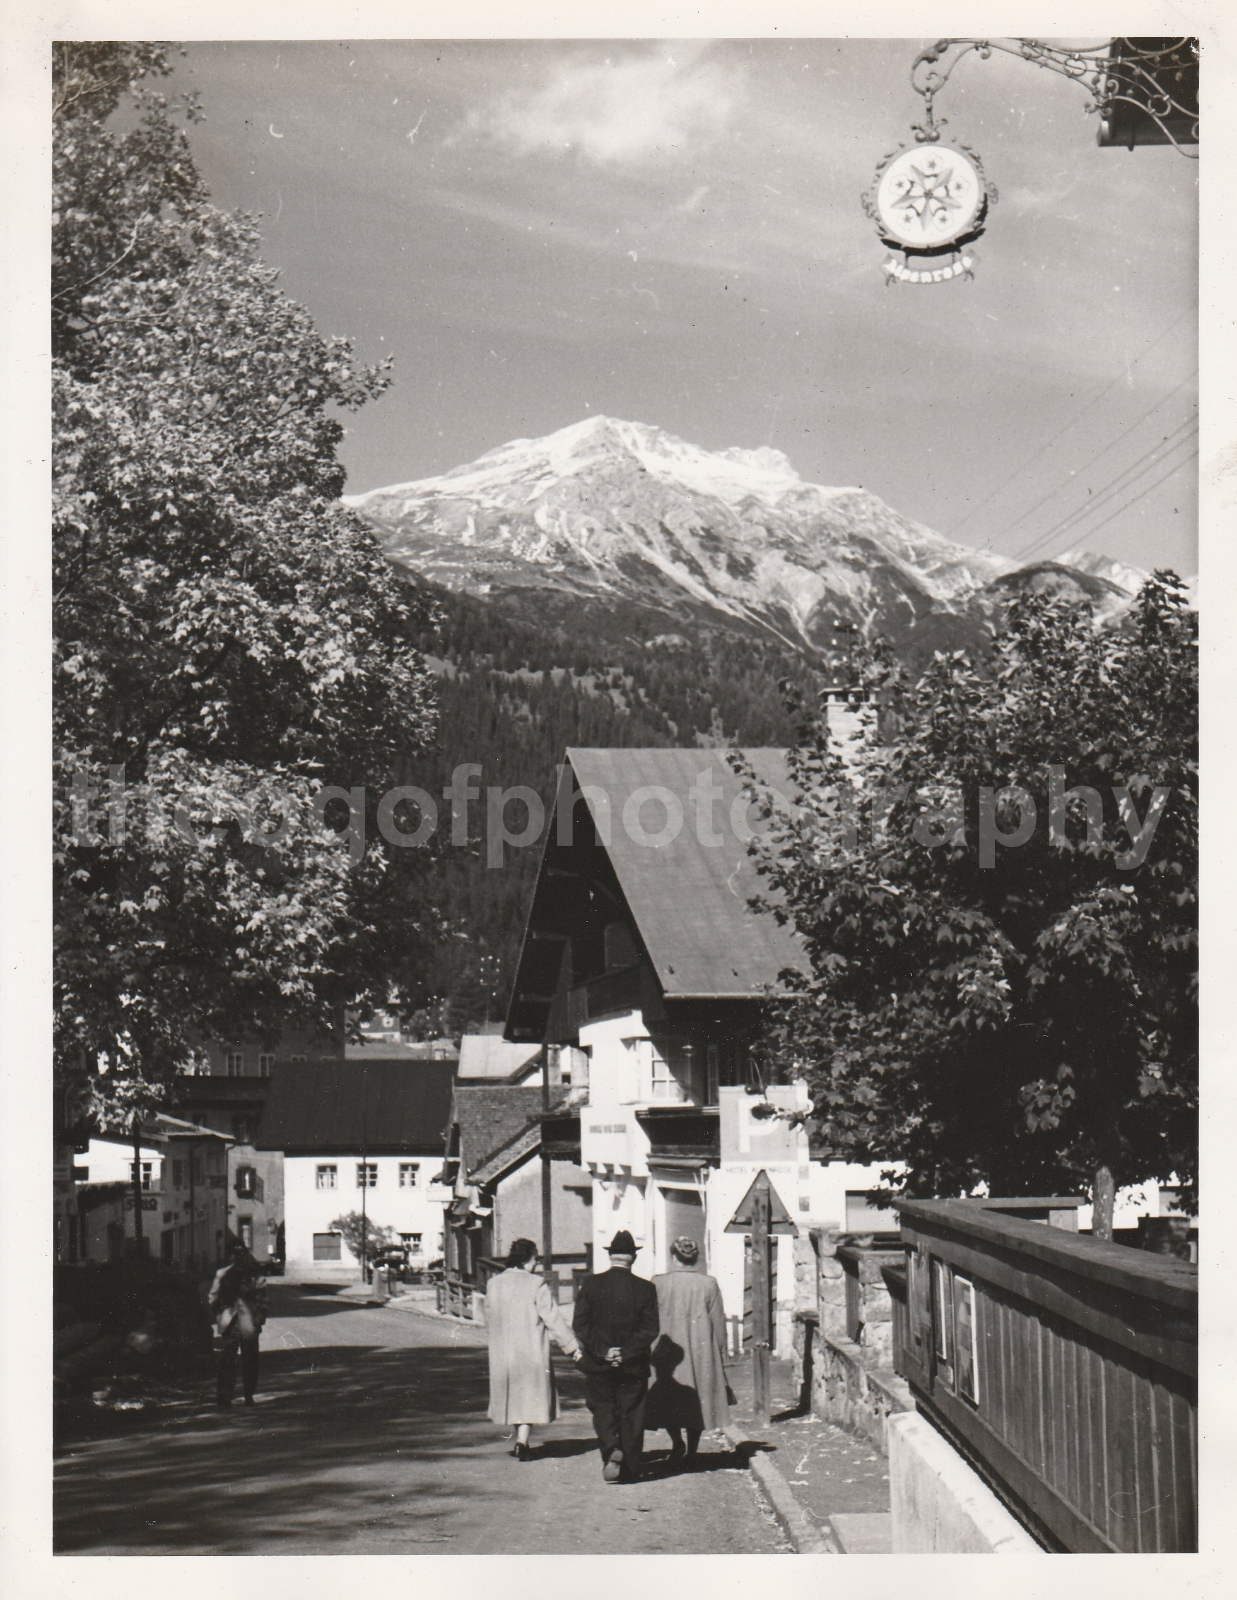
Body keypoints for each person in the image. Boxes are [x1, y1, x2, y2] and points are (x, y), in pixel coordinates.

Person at [572, 1229, 660, 1483]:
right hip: (633, 1364)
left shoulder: (591, 1284)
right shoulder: (646, 1288)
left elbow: (581, 1324)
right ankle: (631, 1469)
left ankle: (612, 1447)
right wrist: (626, 1352)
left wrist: (603, 1350)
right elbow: (650, 1329)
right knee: (632, 1413)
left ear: (611, 1256)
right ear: (632, 1258)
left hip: (600, 1363)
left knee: (603, 1407)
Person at [485, 1238, 583, 1460]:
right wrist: (572, 1347)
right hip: (530, 1350)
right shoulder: (536, 1284)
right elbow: (553, 1319)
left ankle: (521, 1440)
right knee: (528, 1397)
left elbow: (489, 1318)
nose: (536, 1264)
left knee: (514, 1398)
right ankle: (522, 1441)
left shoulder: (494, 1284)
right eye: (535, 1259)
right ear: (528, 1259)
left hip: (504, 1352)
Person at [648, 1237, 731, 1461]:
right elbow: (718, 1323)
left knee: (667, 1397)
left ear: (673, 1257)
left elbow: (650, 1318)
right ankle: (692, 1450)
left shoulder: (658, 1283)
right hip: (700, 1350)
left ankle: (677, 1442)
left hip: (668, 1350)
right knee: (700, 1395)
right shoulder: (709, 1284)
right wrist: (721, 1354)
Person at [208, 1243, 267, 1408]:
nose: (238, 1258)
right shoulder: (224, 1274)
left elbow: (262, 1299)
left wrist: (259, 1318)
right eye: (236, 1254)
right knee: (233, 1360)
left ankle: (245, 1394)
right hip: (233, 1324)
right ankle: (228, 1395)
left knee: (244, 1360)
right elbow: (213, 1297)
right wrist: (221, 1314)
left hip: (245, 1323)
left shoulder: (253, 1276)